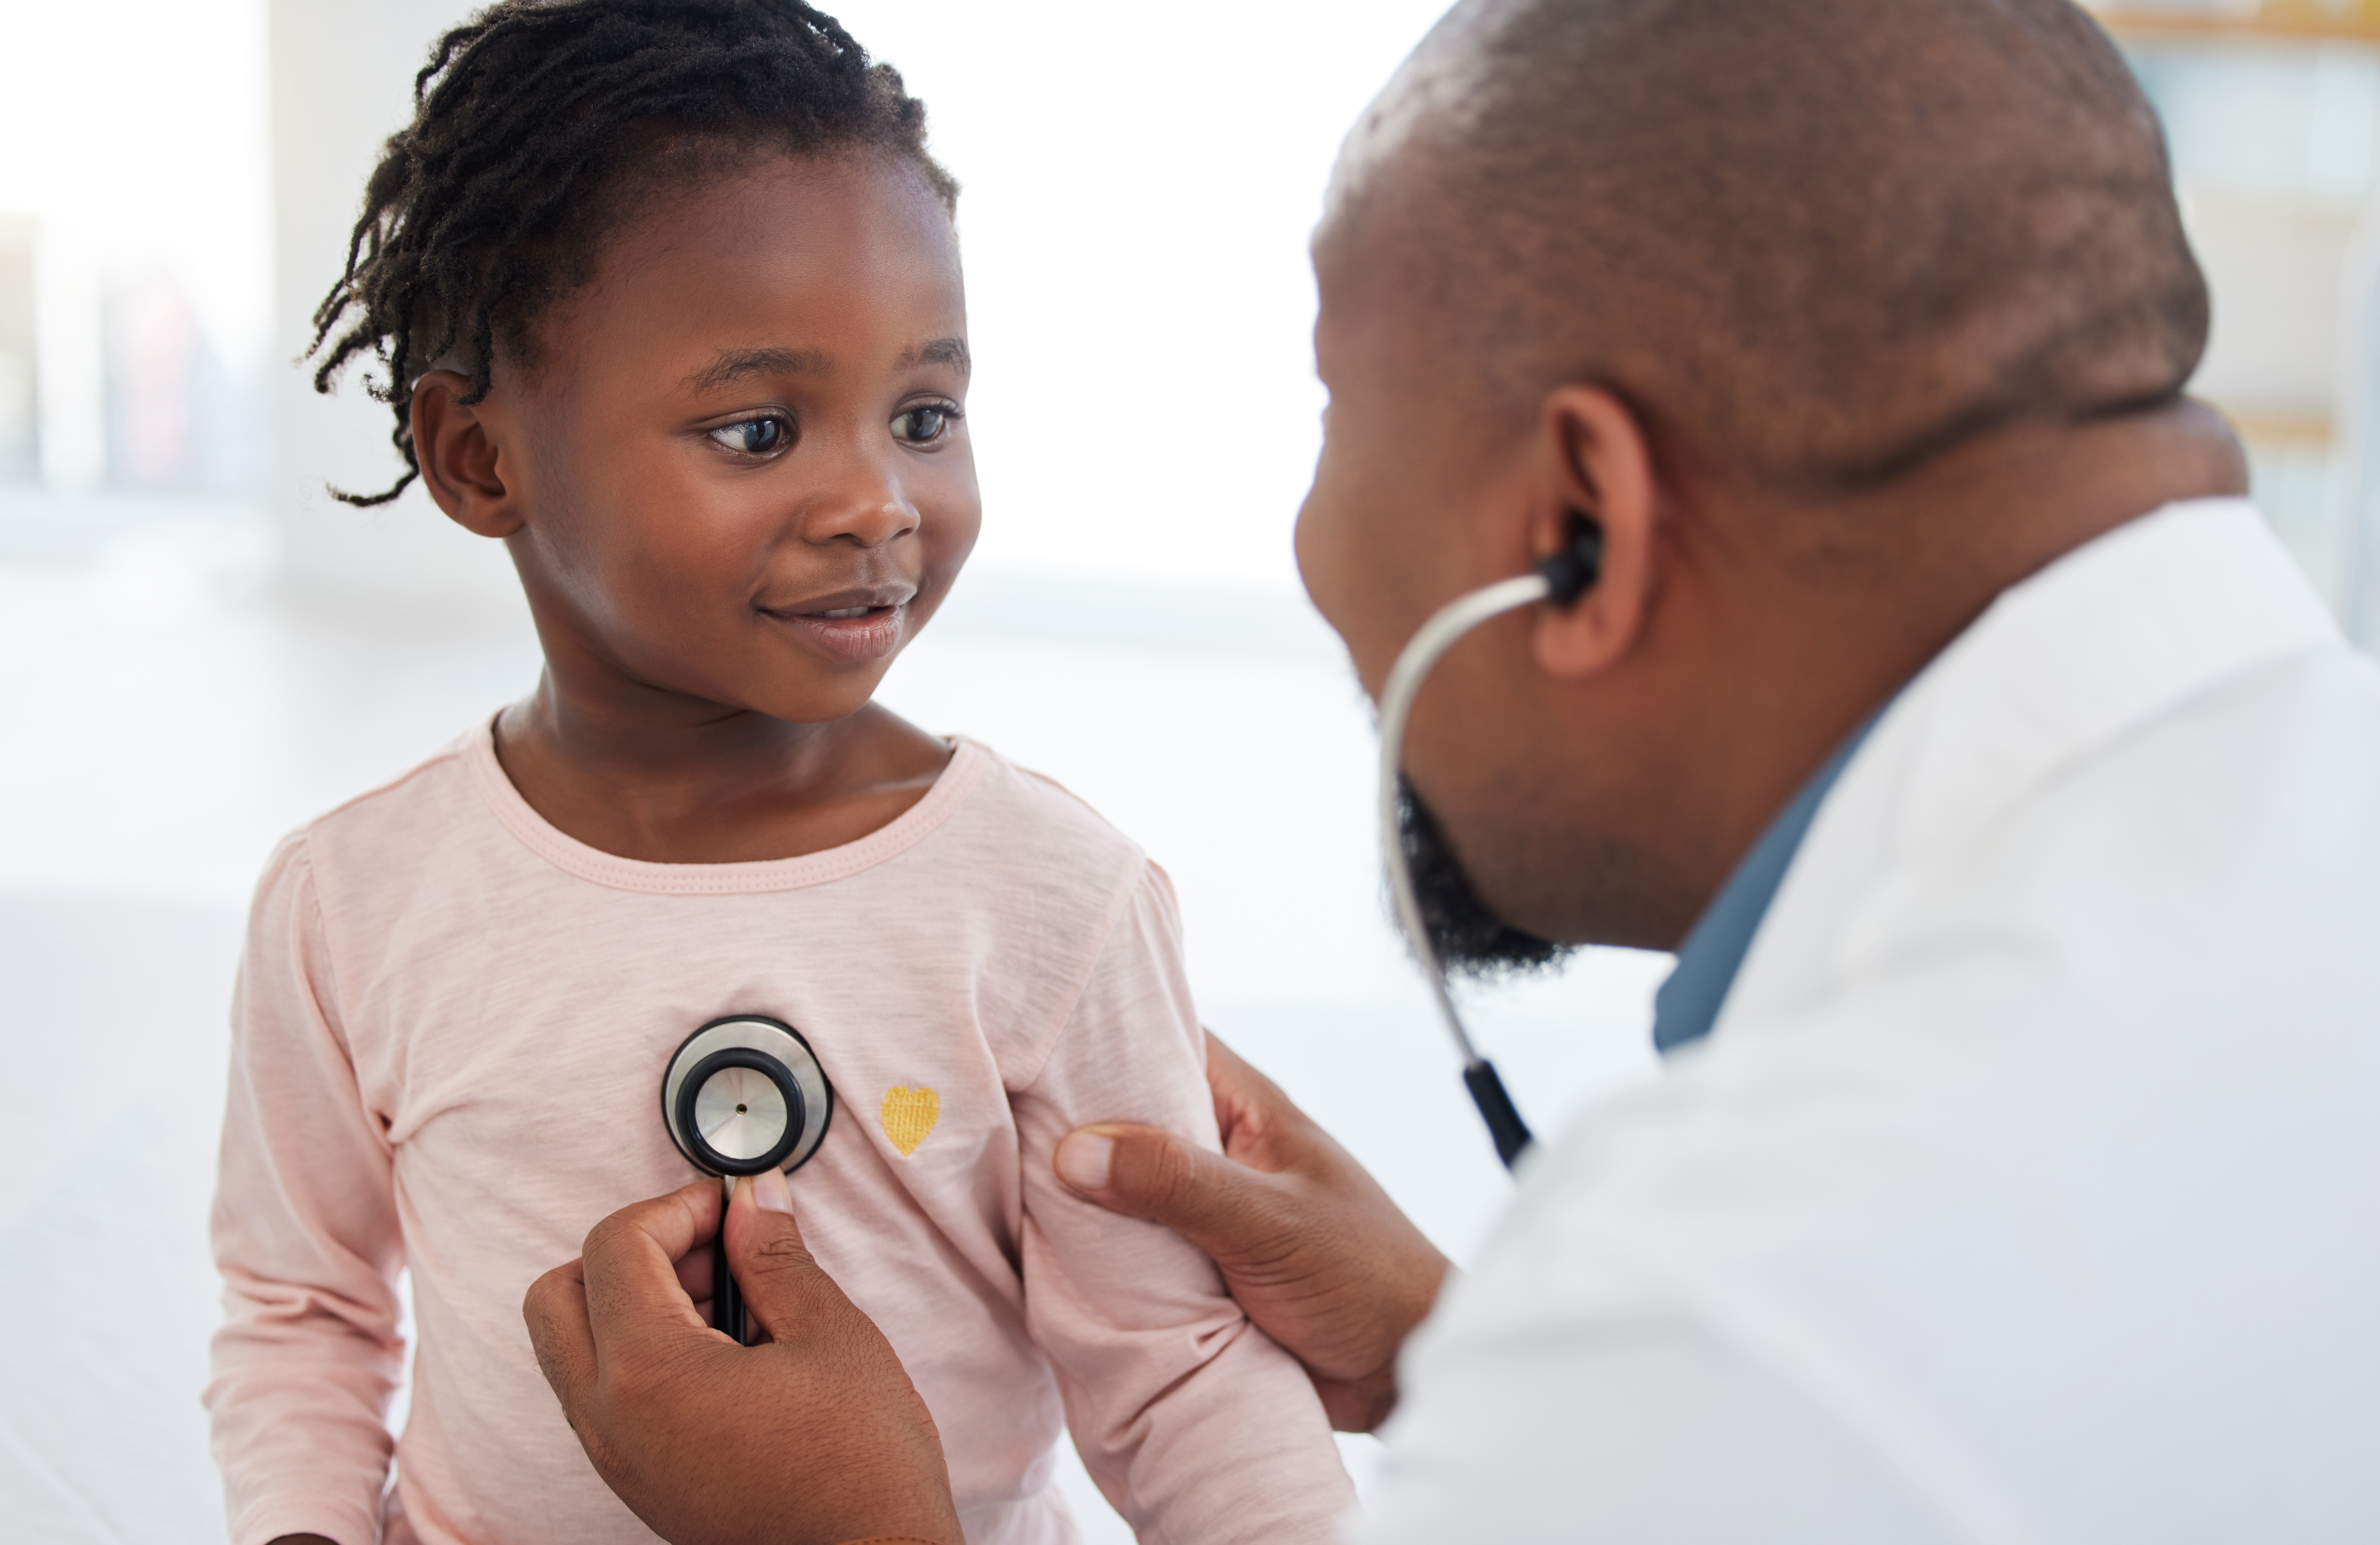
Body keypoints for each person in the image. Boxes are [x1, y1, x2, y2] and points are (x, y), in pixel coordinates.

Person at [522, 0, 2380, 1540]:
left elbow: (1792, 1410)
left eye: (1338, 419)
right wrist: (1464, 1350)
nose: (1319, 546)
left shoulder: (1749, 1307)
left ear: (1577, 521)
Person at [202, 4, 1358, 1544]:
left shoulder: (1048, 895)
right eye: (758, 429)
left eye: (925, 414)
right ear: (481, 462)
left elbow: (1177, 1368)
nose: (878, 502)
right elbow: (302, 1305)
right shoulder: (351, 897)